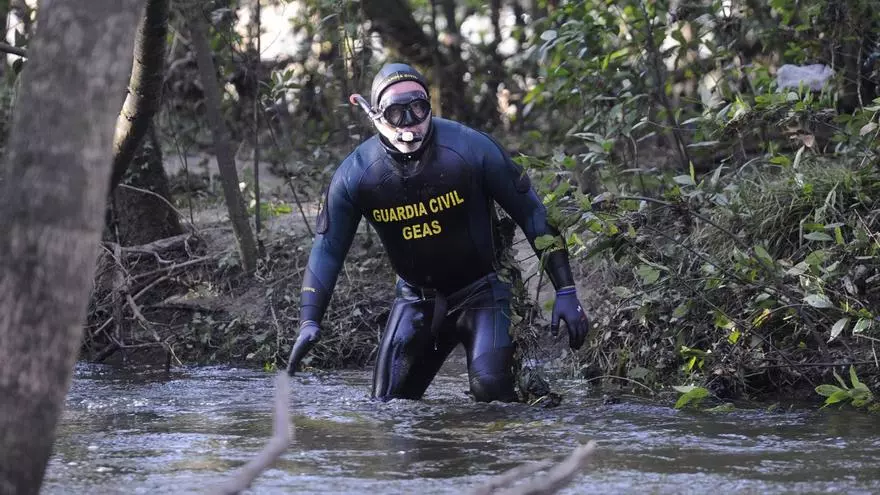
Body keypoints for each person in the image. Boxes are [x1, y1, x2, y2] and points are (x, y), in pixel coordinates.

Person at [286, 62, 590, 403]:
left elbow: (532, 213)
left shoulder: (471, 149)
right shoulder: (356, 174)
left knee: (491, 389)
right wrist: (309, 319)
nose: (410, 123)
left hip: (484, 291)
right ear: (375, 116)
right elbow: (328, 248)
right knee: (387, 407)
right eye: (396, 113)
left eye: (418, 108)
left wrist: (566, 289)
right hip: (416, 300)